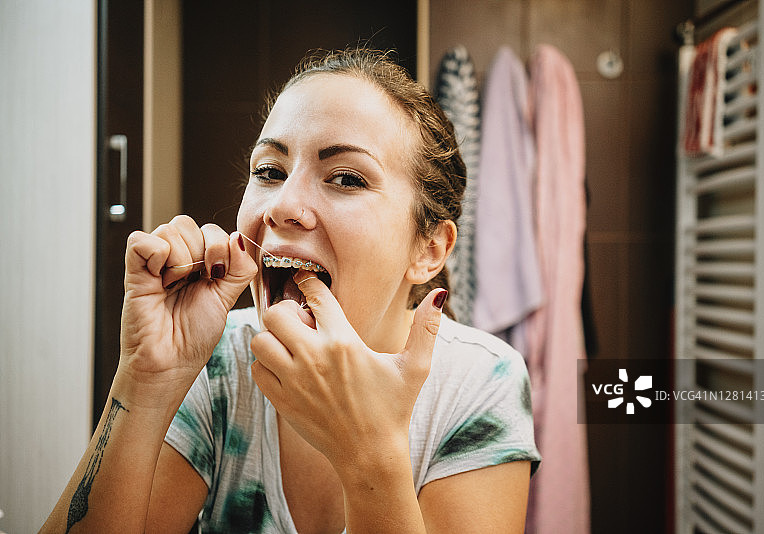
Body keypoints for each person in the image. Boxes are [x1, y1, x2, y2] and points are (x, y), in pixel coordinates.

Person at [42, 48, 540, 533]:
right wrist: (147, 378)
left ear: (428, 248)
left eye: (346, 178)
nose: (282, 206)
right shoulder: (214, 363)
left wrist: (369, 455)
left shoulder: (479, 380)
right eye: (270, 171)